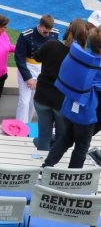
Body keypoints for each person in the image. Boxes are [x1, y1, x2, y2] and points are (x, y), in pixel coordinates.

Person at [43, 26, 101, 168]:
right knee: (81, 146)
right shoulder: (97, 66)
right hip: (86, 114)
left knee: (66, 139)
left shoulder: (83, 59)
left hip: (69, 108)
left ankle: (46, 166)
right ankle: (73, 178)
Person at [32, 19, 88, 150]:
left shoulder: (52, 44)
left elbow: (36, 57)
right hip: (62, 102)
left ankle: (42, 165)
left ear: (68, 30)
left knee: (44, 136)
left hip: (42, 97)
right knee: (61, 138)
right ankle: (52, 165)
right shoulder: (82, 56)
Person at [14, 14, 59, 123]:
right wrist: (28, 77)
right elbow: (19, 58)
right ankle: (20, 126)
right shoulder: (26, 35)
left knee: (34, 100)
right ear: (41, 26)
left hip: (42, 69)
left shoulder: (54, 34)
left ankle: (27, 123)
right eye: (45, 31)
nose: (47, 34)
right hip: (28, 67)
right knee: (24, 101)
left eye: (49, 31)